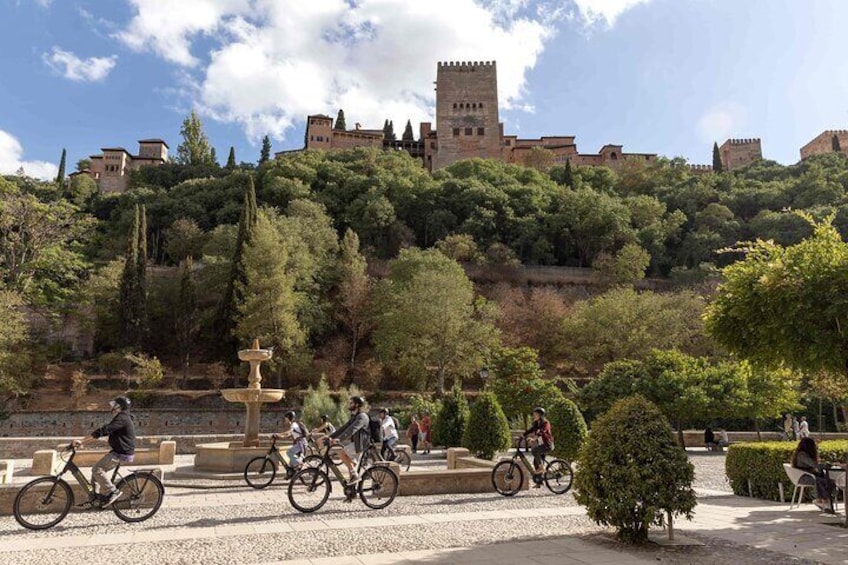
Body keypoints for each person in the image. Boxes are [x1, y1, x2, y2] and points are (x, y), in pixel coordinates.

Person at [73, 396, 135, 507]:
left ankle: (112, 491)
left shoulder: (122, 417)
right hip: (119, 450)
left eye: (114, 405)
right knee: (95, 472)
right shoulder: (123, 417)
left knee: (97, 469)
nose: (112, 408)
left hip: (121, 453)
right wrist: (86, 441)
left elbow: (105, 430)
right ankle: (94, 499)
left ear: (119, 407)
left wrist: (82, 441)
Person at [329, 395, 370, 500]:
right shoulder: (354, 416)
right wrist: (331, 436)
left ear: (356, 405)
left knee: (341, 452)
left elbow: (353, 429)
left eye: (351, 403)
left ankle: (354, 475)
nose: (349, 404)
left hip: (360, 444)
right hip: (356, 444)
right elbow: (344, 428)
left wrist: (339, 439)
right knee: (350, 466)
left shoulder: (362, 417)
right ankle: (351, 493)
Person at [791, 437, 836, 513]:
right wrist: (827, 465)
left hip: (808, 475)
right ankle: (823, 500)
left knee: (828, 480)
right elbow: (814, 464)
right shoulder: (802, 455)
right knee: (820, 481)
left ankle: (824, 500)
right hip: (803, 477)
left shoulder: (803, 454)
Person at [522, 407, 554, 488]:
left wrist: (534, 439)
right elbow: (531, 430)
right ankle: (539, 482)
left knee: (535, 451)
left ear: (540, 415)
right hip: (541, 445)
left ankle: (542, 468)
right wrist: (523, 435)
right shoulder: (537, 423)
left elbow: (543, 432)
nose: (534, 416)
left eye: (535, 414)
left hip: (548, 445)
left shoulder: (546, 423)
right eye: (534, 414)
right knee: (536, 462)